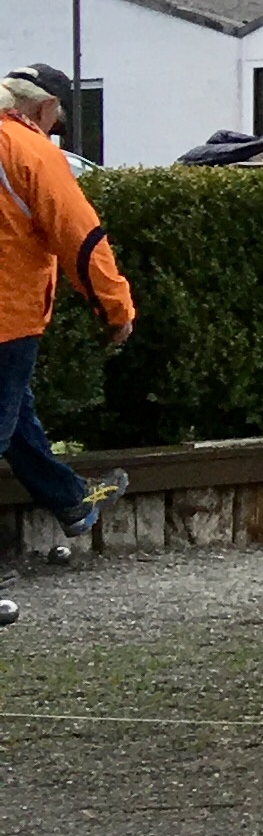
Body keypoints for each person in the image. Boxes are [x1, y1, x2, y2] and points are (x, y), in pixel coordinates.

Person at [0, 65, 132, 549]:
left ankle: (72, 500)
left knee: (17, 420)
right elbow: (81, 238)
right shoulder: (30, 150)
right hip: (7, 317)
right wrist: (116, 309)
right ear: (46, 106)